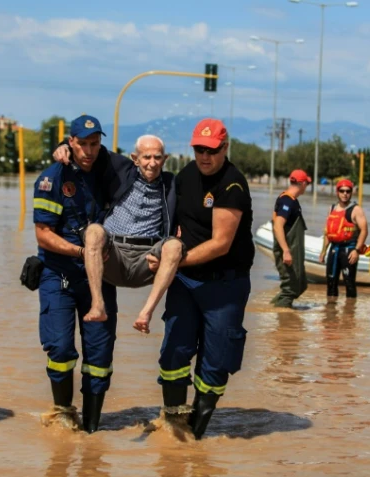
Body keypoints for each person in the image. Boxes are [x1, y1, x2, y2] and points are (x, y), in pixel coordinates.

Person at [156, 118, 254, 440]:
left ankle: (195, 438)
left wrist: (173, 261)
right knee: (173, 352)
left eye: (211, 150)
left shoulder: (232, 185)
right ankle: (173, 431)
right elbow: (139, 175)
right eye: (199, 149)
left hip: (223, 285)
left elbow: (220, 244)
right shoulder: (185, 176)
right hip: (186, 282)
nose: (204, 157)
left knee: (214, 365)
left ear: (225, 148)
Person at [33, 115, 118, 434]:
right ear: (71, 143)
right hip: (60, 276)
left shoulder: (108, 170)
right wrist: (82, 252)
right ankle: (64, 413)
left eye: (94, 144)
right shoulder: (52, 178)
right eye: (82, 143)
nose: (88, 150)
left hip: (100, 279)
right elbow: (43, 235)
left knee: (100, 355)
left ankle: (92, 429)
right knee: (60, 349)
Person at [53, 134, 183, 334]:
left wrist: (175, 244)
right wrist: (64, 146)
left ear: (165, 159)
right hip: (113, 255)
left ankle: (146, 314)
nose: (152, 163)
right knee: (94, 231)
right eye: (146, 157)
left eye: (157, 157)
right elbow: (92, 149)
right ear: (135, 158)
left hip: (147, 259)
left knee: (175, 246)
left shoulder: (172, 184)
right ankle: (98, 305)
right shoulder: (121, 169)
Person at [319, 179, 368, 300]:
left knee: (349, 283)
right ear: (337, 192)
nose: (345, 194)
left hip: (349, 249)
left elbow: (364, 230)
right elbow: (328, 233)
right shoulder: (331, 209)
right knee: (331, 282)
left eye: (348, 191)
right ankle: (330, 313)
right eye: (342, 191)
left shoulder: (356, 210)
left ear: (351, 193)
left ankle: (350, 314)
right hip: (334, 249)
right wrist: (323, 251)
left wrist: (356, 250)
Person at [270, 169, 310, 308]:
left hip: (294, 249)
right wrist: (286, 250)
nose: (307, 186)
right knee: (290, 288)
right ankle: (282, 318)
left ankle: (272, 308)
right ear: (302, 183)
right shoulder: (287, 201)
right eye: (307, 183)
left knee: (301, 284)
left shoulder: (290, 200)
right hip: (288, 250)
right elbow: (278, 226)